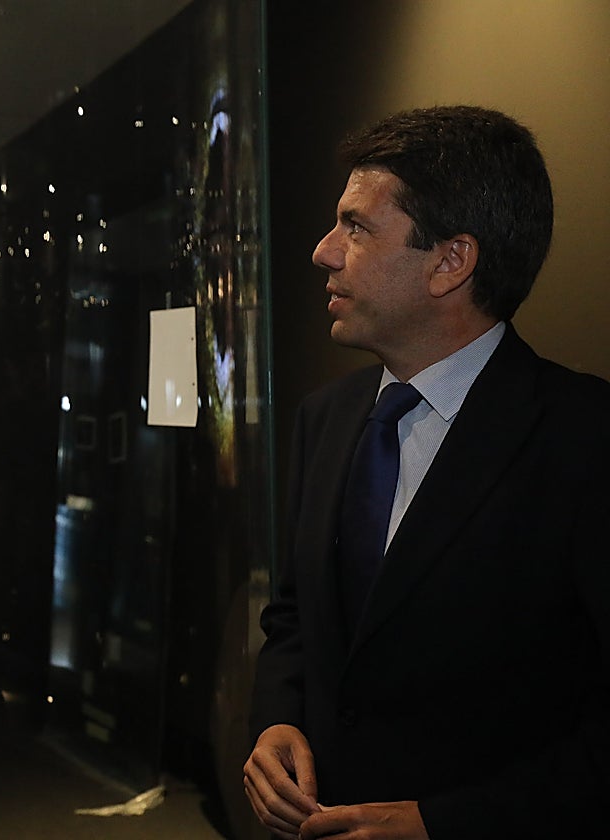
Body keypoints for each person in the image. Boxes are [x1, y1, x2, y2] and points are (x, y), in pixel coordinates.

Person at [243, 105, 610, 840]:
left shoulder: (586, 438)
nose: (322, 251)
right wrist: (277, 721)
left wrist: (441, 824)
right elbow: (295, 619)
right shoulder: (325, 418)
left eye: (355, 227)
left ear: (450, 262)